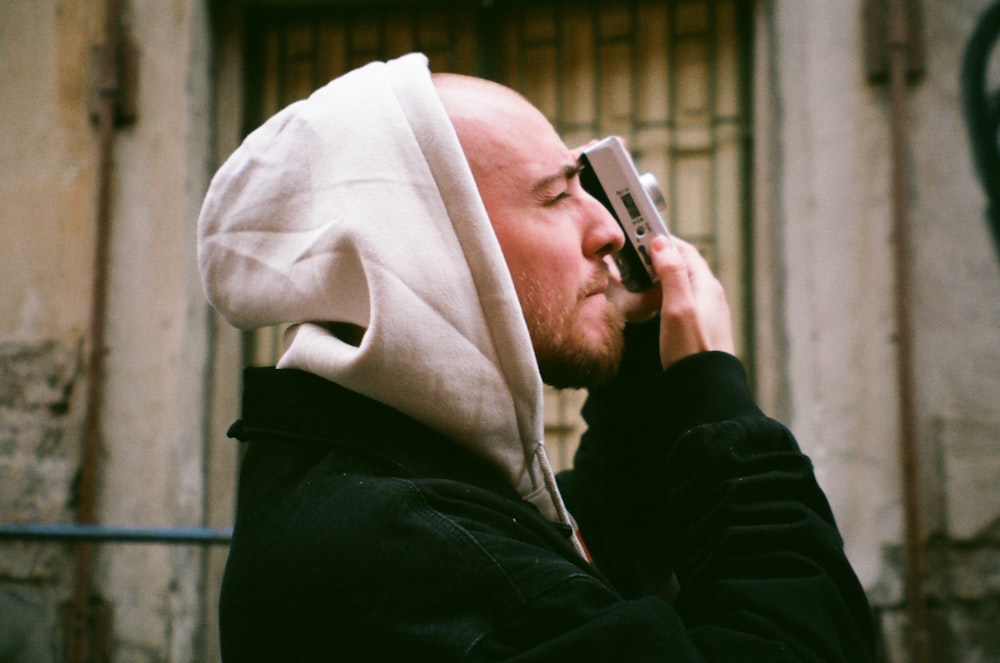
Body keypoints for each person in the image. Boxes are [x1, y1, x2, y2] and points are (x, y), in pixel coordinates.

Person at [198, 53, 875, 661]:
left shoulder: (386, 471)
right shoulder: (397, 553)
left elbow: (591, 549)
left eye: (589, 188)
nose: (609, 229)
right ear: (437, 253)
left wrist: (645, 361)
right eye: (558, 196)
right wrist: (715, 398)